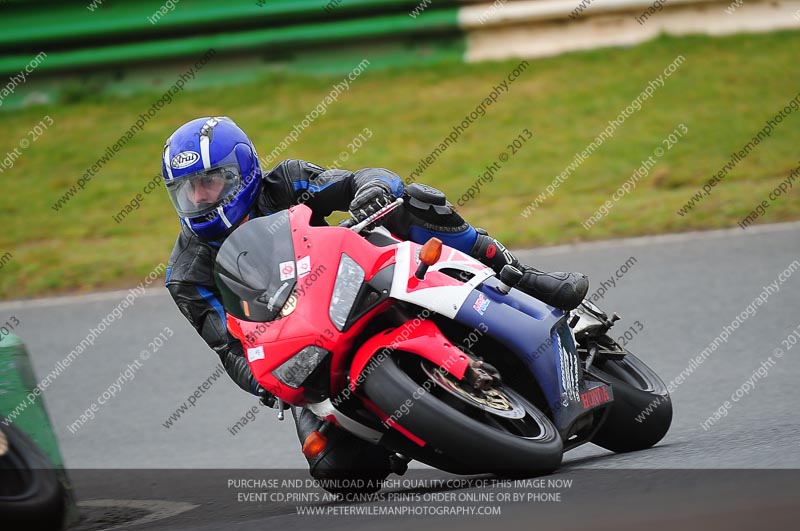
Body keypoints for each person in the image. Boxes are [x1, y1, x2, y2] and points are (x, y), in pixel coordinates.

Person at [162, 116, 588, 481]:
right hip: (298, 343)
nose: (199, 198)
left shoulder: (286, 181)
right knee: (338, 471)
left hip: (353, 276)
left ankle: (520, 275)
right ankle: (409, 429)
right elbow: (229, 348)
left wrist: (373, 188)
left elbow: (356, 180)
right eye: (186, 190)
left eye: (209, 182)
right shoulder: (186, 274)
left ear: (242, 172)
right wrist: (268, 384)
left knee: (413, 201)